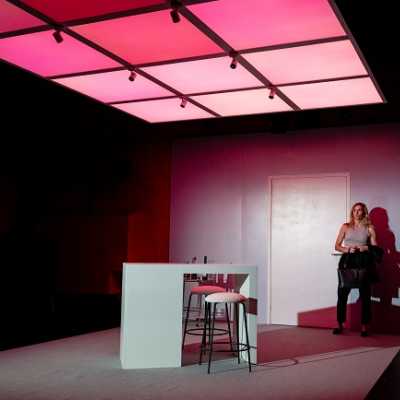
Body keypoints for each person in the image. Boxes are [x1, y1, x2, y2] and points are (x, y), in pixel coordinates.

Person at [333, 202, 378, 337]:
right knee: (342, 294)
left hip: (363, 261)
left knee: (365, 295)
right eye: (355, 210)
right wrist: (347, 249)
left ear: (364, 212)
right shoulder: (345, 227)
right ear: (352, 212)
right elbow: (336, 245)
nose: (357, 212)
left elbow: (376, 248)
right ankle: (339, 324)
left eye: (360, 210)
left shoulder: (369, 228)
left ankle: (364, 327)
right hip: (347, 261)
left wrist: (367, 247)